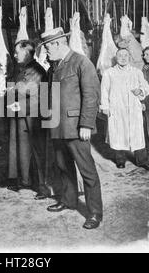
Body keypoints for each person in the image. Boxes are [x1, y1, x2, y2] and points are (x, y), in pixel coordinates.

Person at [40, 27, 103, 229]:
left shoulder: (81, 62)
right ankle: (68, 200)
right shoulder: (55, 67)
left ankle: (94, 213)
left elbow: (92, 96)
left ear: (58, 44)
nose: (46, 52)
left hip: (76, 127)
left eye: (48, 47)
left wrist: (86, 124)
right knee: (63, 166)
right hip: (58, 126)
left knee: (87, 170)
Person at [5, 39, 50, 199]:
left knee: (37, 152)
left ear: (26, 52)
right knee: (23, 150)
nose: (15, 55)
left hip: (33, 117)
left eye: (17, 52)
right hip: (22, 115)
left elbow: (36, 95)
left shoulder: (36, 71)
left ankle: (43, 188)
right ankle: (25, 181)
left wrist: (14, 93)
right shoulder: (24, 69)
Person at [100, 48, 149, 171]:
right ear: (116, 57)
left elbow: (146, 86)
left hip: (133, 109)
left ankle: (142, 161)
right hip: (117, 108)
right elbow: (104, 91)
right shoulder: (109, 73)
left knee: (137, 136)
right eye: (120, 55)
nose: (123, 58)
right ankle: (120, 160)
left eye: (126, 55)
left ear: (129, 57)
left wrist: (140, 91)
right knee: (118, 134)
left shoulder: (136, 72)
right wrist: (105, 107)